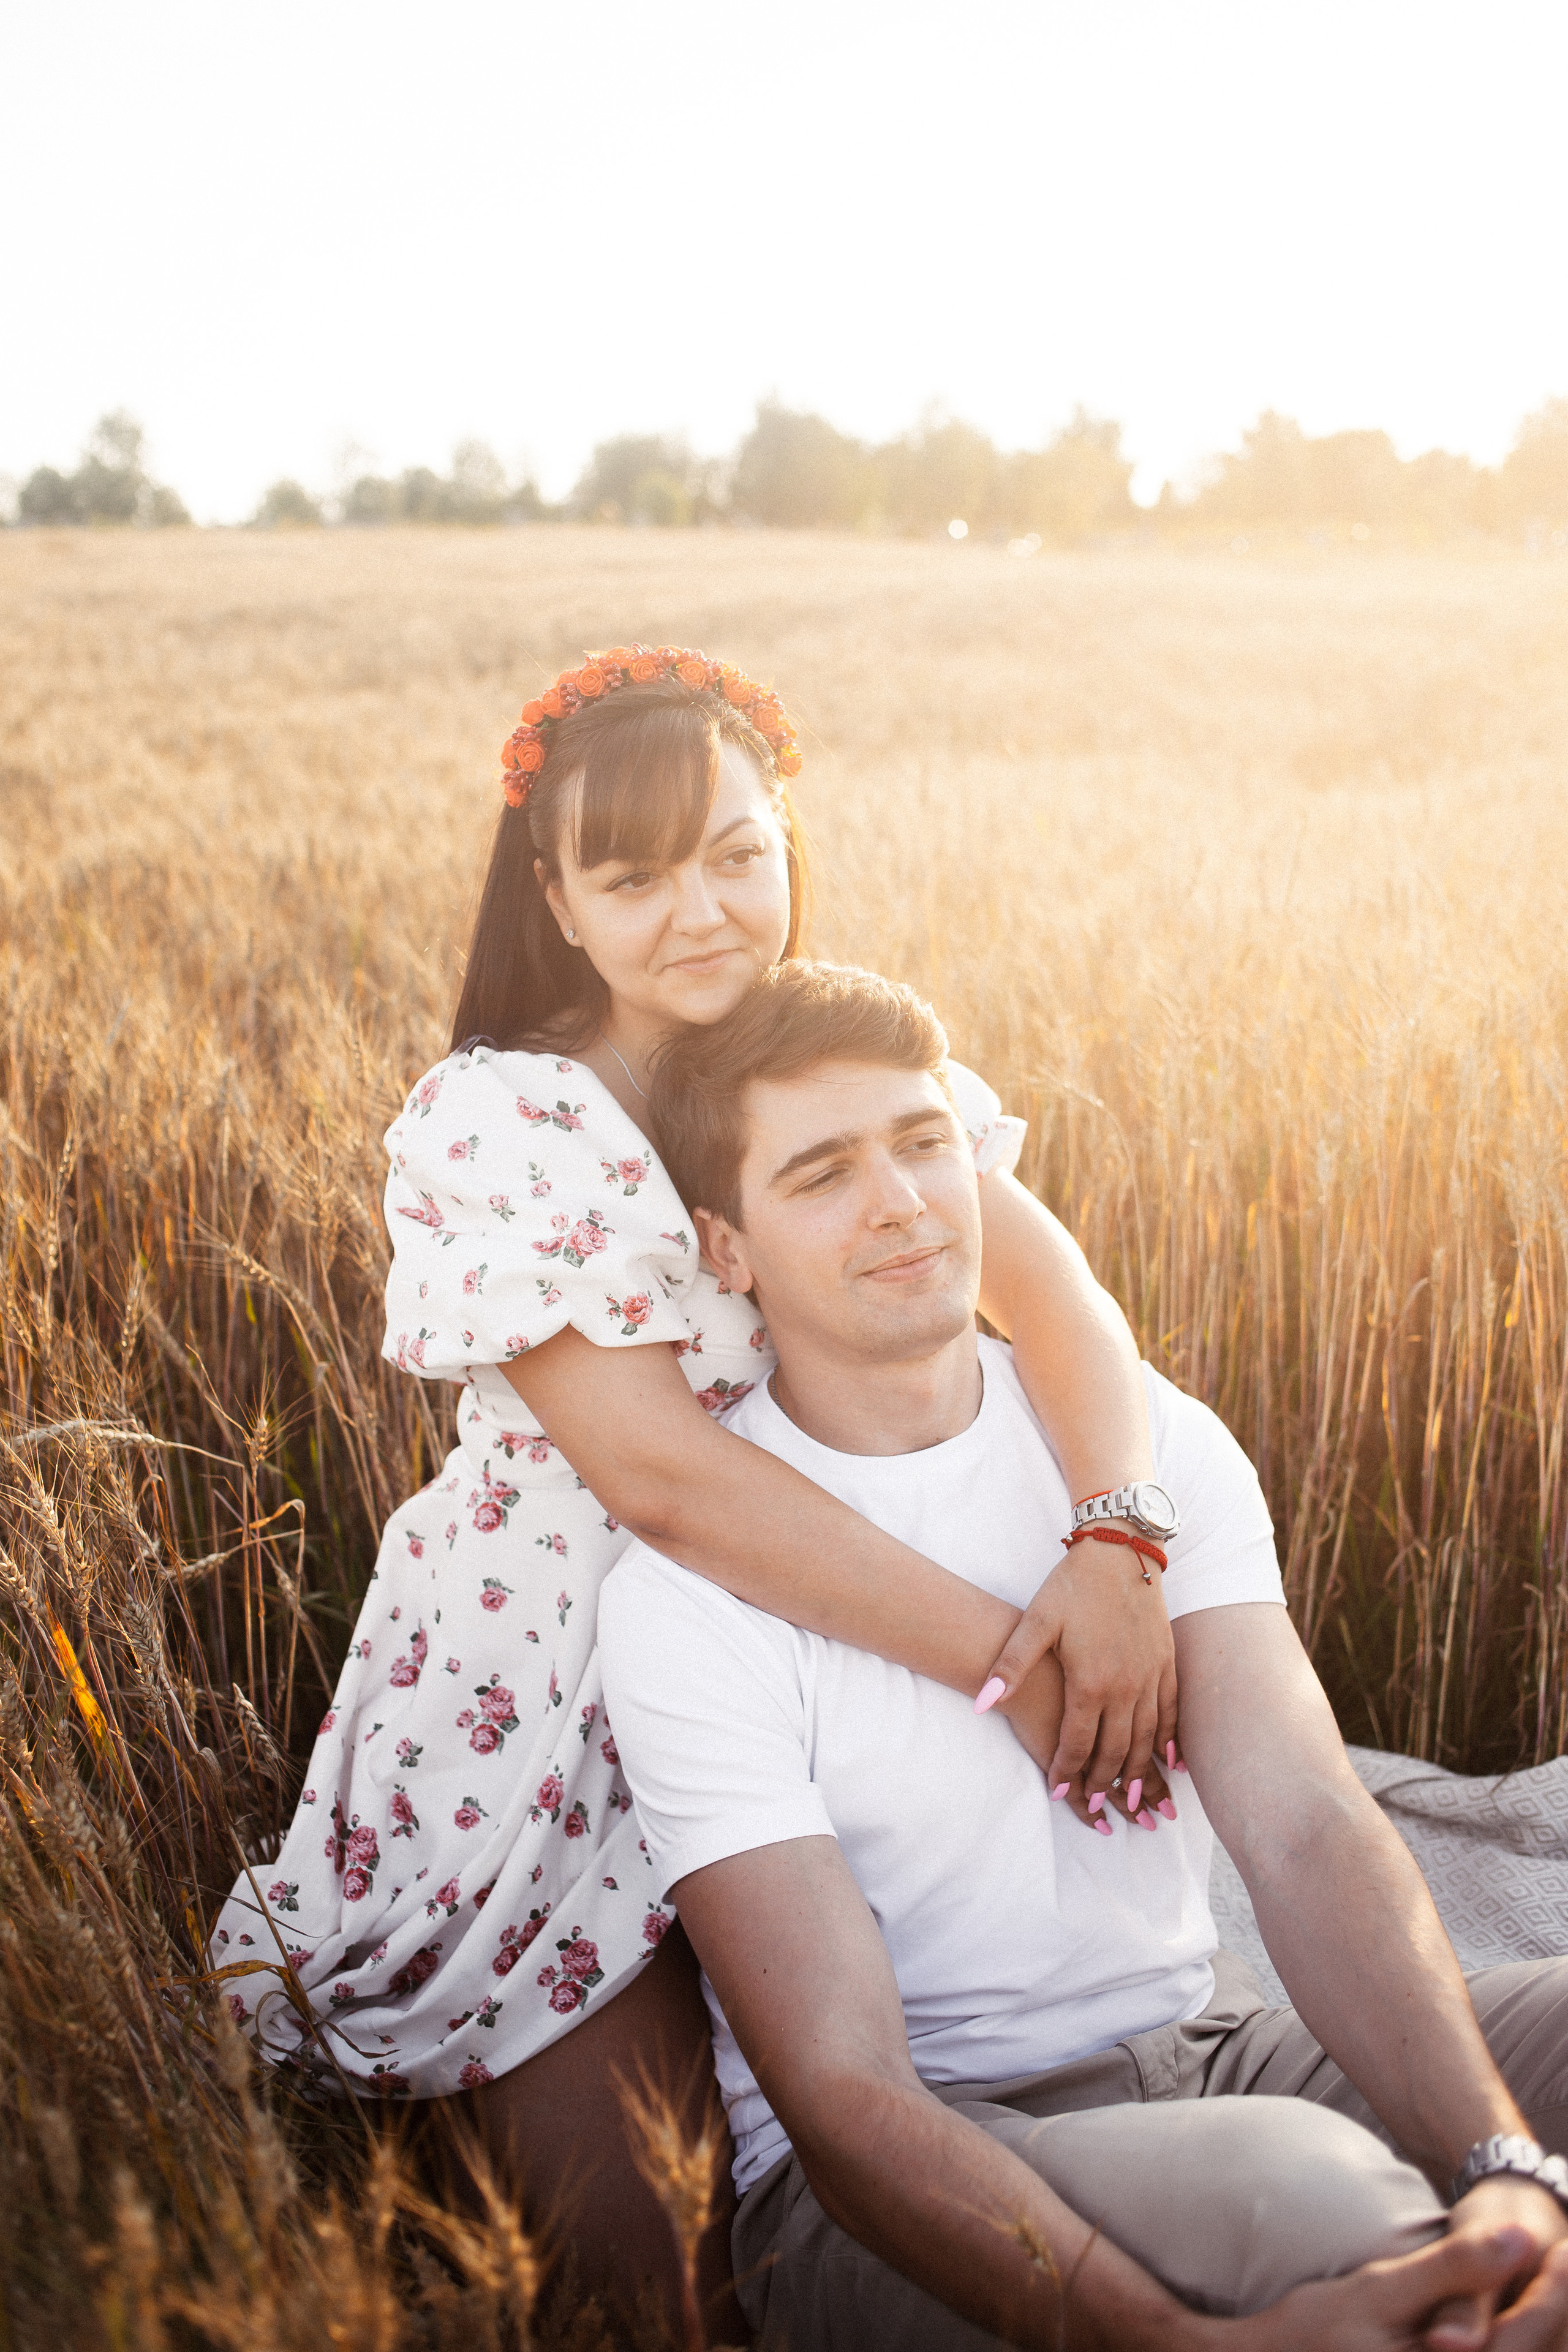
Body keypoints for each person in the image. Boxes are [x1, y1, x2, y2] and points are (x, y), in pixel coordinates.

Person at [210, 647, 1180, 2305]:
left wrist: (1113, 1533)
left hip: (821, 1662)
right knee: (664, 2271)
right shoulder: (502, 1116)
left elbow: (1065, 1301)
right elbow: (663, 1481)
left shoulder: (836, 1056)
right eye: (634, 875)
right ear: (556, 899)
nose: (703, 910)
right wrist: (1009, 1666)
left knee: (927, 2170)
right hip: (557, 1720)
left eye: (737, 852)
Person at [598, 958, 1568, 2351]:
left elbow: (1299, 1827)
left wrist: (1501, 2165)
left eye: (922, 1143)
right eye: (820, 1174)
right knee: (1320, 2203)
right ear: (724, 1251)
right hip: (917, 2170)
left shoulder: (1147, 1450)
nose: (899, 1202)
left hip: (1221, 2051)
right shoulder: (688, 1598)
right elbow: (841, 2095)